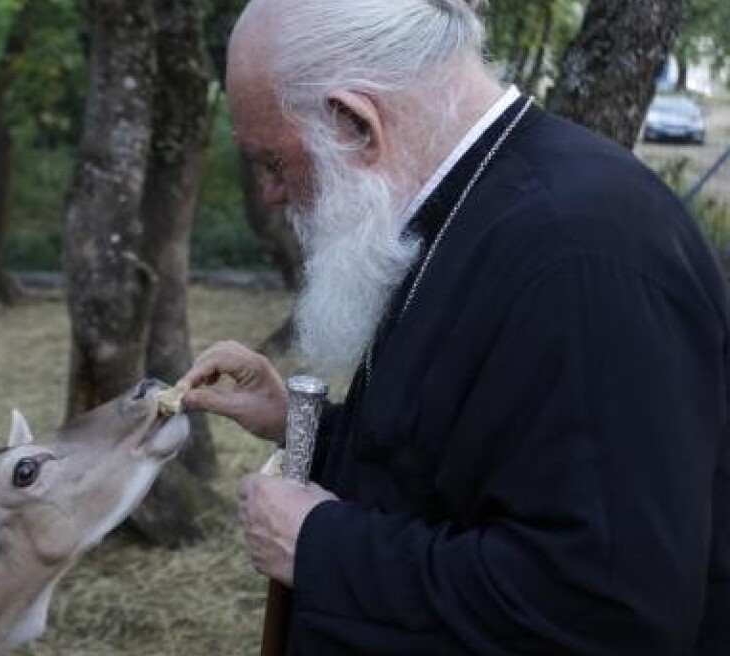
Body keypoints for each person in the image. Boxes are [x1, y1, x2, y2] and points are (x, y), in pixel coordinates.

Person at [177, 0, 730, 653]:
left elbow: (605, 606)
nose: (271, 193)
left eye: (273, 162)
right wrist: (301, 426)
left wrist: (323, 550)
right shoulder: (459, 206)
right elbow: (456, 464)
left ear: (354, 123)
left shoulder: (579, 255)